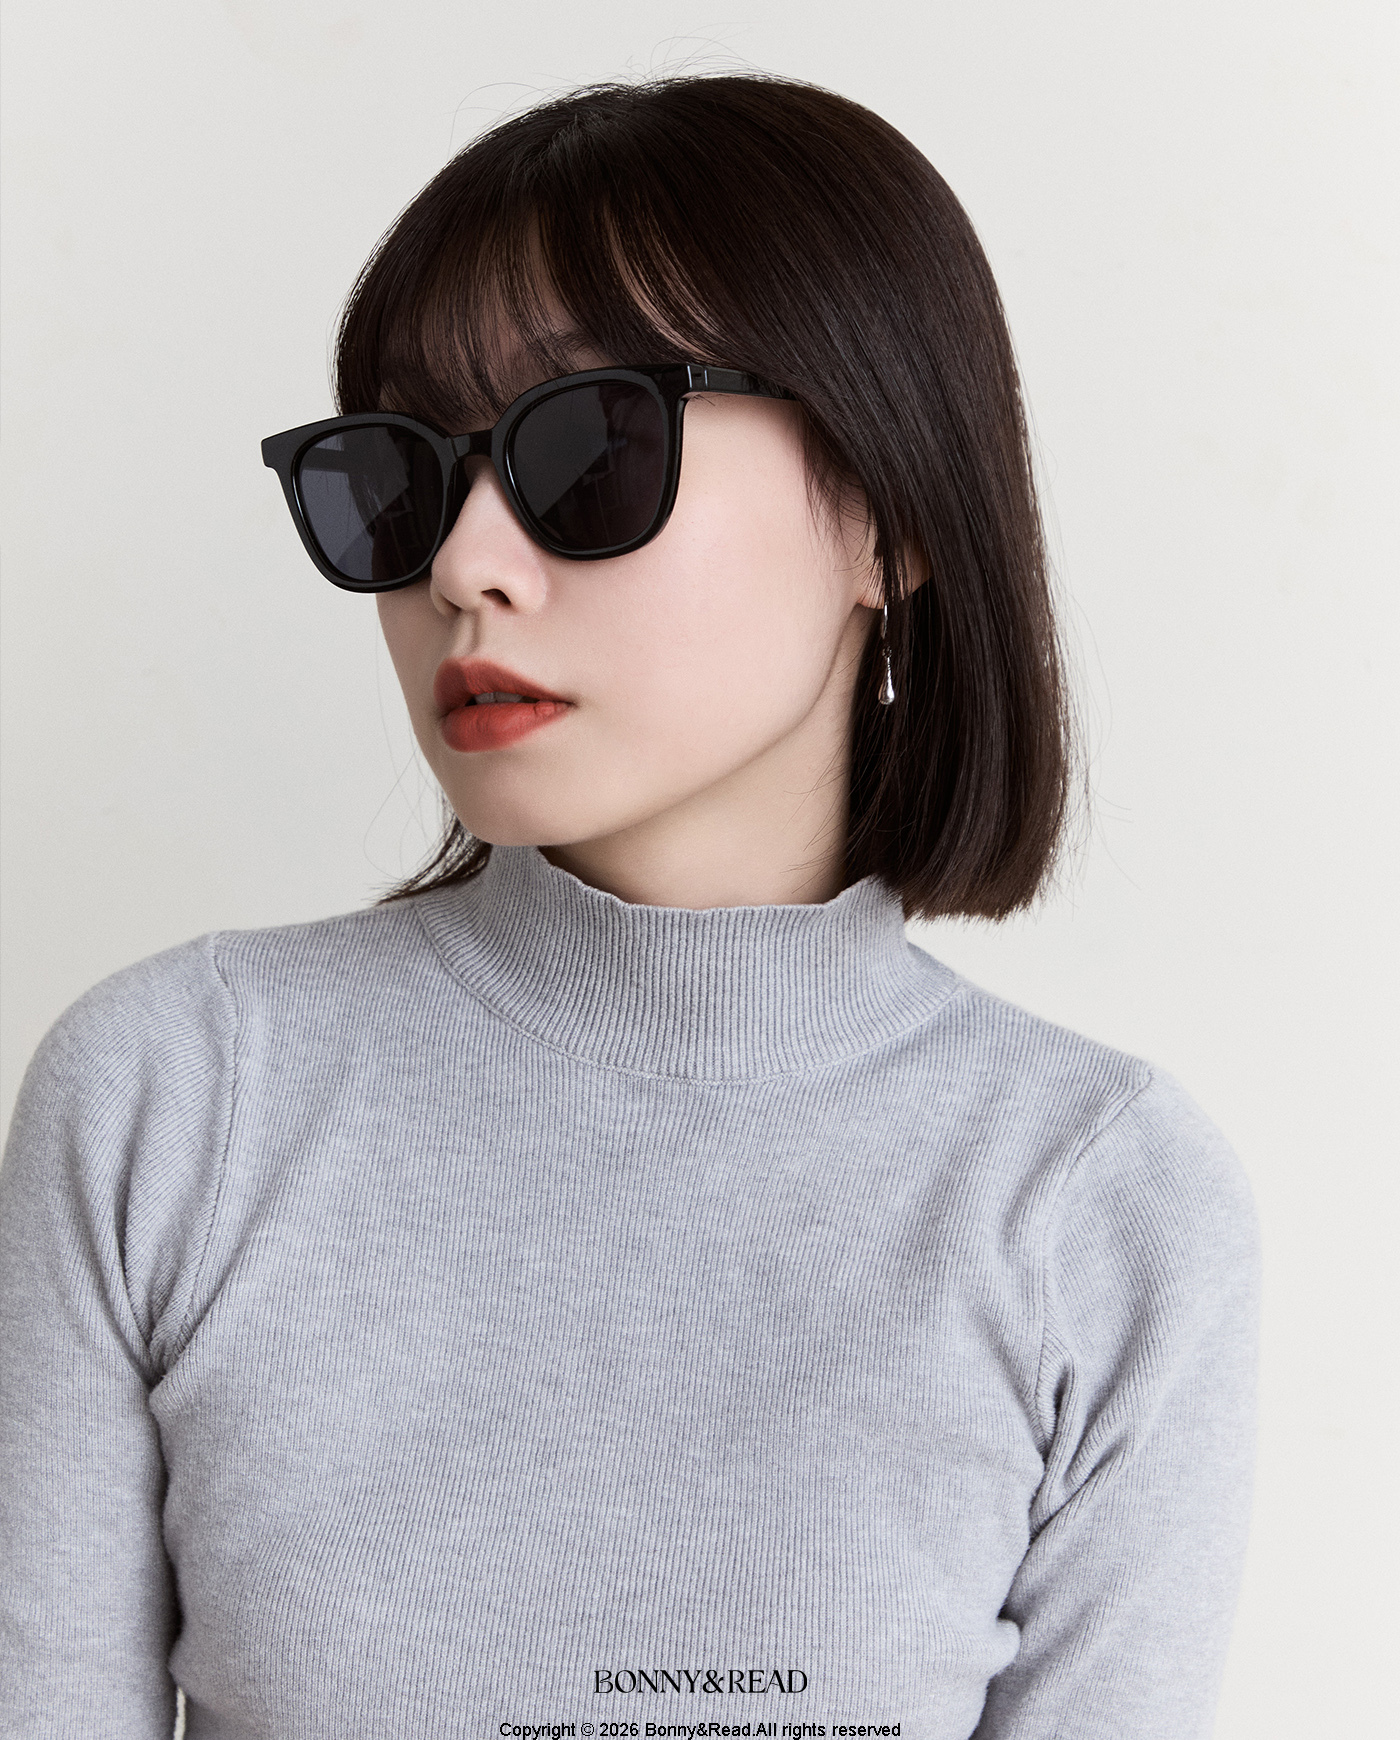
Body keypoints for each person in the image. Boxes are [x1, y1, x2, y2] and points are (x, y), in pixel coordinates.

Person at [0, 72, 1259, 1740]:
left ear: (888, 515)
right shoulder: (175, 1104)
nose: (463, 566)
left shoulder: (1103, 1210)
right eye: (403, 476)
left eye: (587, 446)